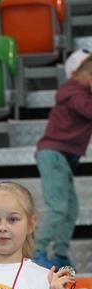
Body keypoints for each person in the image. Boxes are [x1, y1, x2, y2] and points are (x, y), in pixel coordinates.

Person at [34, 49, 92, 269]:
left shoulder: (81, 92)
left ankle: (60, 253)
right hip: (53, 154)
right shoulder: (72, 91)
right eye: (89, 73)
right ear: (75, 75)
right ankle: (36, 251)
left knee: (71, 209)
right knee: (58, 207)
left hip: (61, 157)